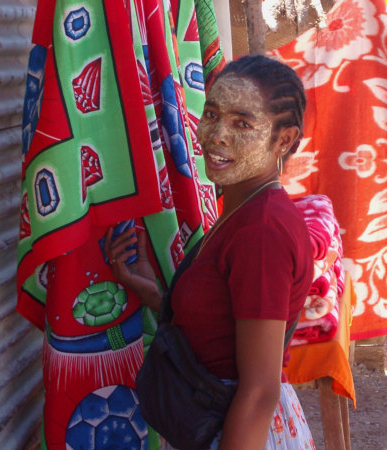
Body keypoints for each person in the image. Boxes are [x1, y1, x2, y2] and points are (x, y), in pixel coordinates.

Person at [104, 54, 315, 449]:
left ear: (283, 139)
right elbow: (221, 332)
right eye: (212, 114)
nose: (217, 135)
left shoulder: (262, 230)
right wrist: (153, 292)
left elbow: (257, 390)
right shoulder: (242, 207)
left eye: (243, 124)